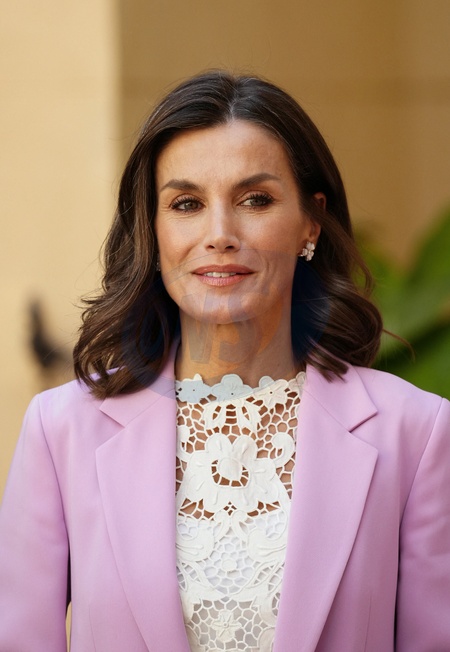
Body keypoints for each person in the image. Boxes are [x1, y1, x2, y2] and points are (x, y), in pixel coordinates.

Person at [0, 71, 449, 652]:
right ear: (152, 230)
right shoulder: (60, 430)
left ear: (310, 222)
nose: (219, 234)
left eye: (255, 200)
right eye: (186, 204)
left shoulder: (417, 433)